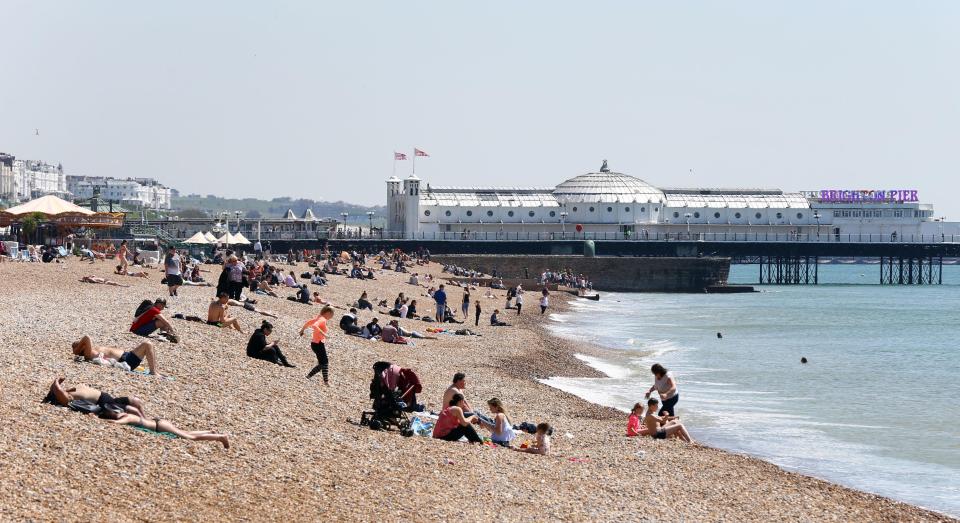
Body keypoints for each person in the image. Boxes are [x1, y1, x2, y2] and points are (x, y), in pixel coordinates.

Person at [45, 377, 229, 448]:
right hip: (158, 424)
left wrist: (106, 421)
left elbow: (119, 422)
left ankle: (220, 437)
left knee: (190, 438)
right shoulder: (126, 415)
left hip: (159, 425)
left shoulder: (125, 417)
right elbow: (120, 418)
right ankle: (211, 433)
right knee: (186, 434)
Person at [71, 335, 161, 375]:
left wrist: (78, 346)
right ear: (81, 348)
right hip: (125, 361)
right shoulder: (88, 354)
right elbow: (86, 337)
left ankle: (155, 370)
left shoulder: (93, 350)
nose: (80, 341)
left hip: (127, 355)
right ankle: (153, 372)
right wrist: (76, 350)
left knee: (150, 344)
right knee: (147, 344)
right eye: (79, 343)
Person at [301, 306, 334, 384]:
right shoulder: (322, 319)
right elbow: (314, 326)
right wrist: (324, 334)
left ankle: (324, 381)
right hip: (318, 344)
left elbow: (308, 322)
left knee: (323, 363)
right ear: (328, 313)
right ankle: (311, 377)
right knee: (324, 363)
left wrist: (302, 330)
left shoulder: (319, 317)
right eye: (332, 314)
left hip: (315, 344)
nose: (332, 316)